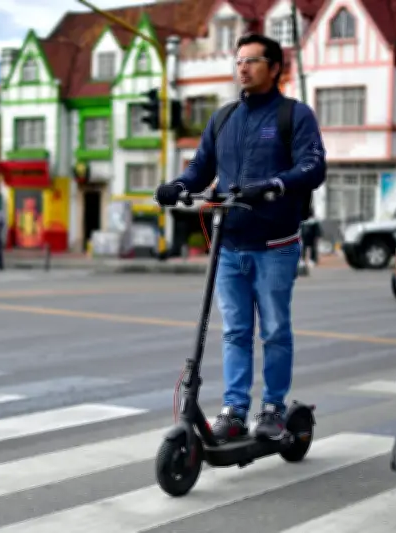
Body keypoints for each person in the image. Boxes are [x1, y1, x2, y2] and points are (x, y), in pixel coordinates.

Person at [154, 33, 326, 443]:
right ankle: (233, 410)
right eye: (239, 61)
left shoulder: (294, 116)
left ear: (274, 68)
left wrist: (274, 185)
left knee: (275, 330)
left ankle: (273, 409)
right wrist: (177, 186)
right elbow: (200, 168)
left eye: (251, 61)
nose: (243, 68)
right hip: (228, 245)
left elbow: (313, 168)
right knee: (234, 332)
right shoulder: (224, 118)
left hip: (275, 245)